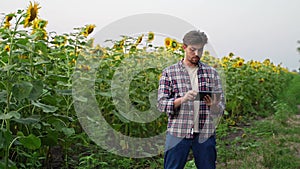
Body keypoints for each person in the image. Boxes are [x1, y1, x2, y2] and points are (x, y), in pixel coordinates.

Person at [157, 30, 225, 169]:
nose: (196, 54)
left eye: (200, 50)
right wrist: (183, 99)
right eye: (193, 50)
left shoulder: (211, 73)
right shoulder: (169, 73)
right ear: (184, 47)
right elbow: (161, 104)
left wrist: (214, 105)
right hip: (177, 132)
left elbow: (220, 106)